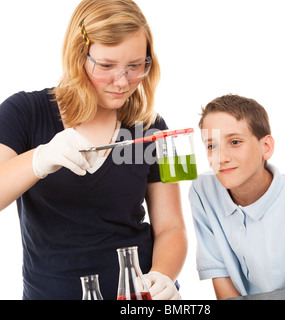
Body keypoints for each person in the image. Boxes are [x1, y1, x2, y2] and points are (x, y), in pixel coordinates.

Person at [0, 0, 187, 300]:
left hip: (135, 300)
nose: (122, 81)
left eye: (136, 66)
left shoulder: (153, 127)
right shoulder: (23, 112)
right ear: (78, 56)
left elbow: (172, 227)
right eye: (107, 65)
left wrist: (162, 276)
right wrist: (39, 159)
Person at [189, 94, 285, 299]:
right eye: (212, 146)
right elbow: (220, 274)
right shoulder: (203, 191)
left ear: (266, 147)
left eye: (235, 142)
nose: (221, 157)